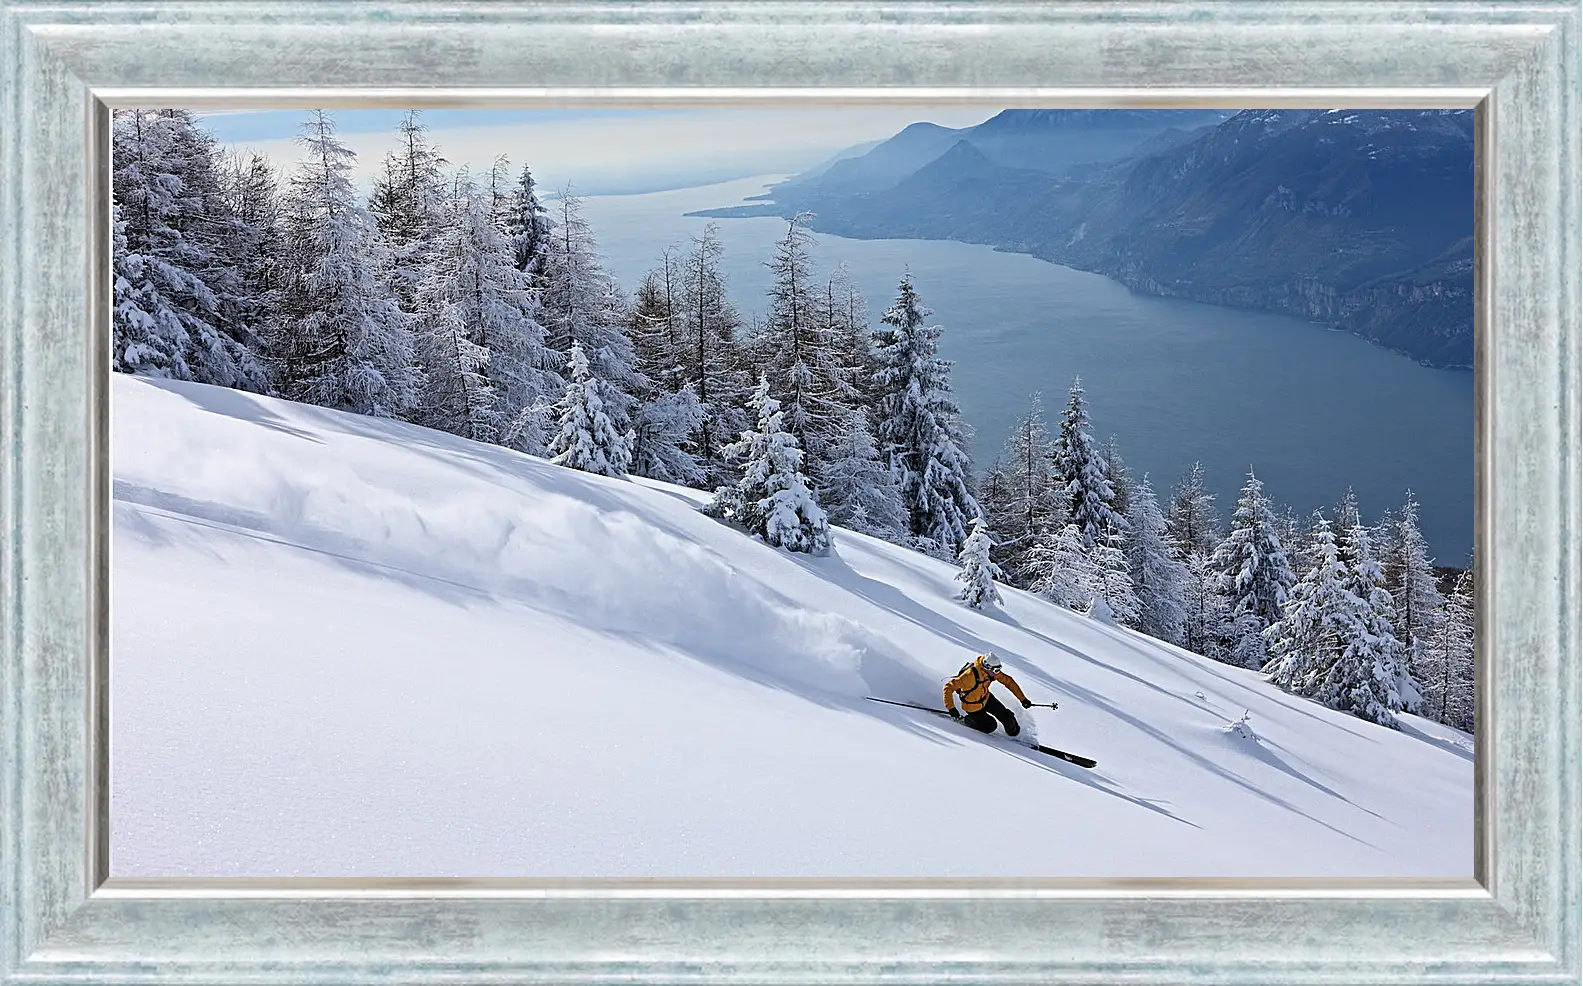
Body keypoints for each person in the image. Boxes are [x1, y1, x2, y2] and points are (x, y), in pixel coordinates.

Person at [942, 652, 1032, 736]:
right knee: (991, 725)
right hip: (972, 706)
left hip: (986, 698)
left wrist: (1023, 699)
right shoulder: (969, 676)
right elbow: (948, 687)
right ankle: (968, 720)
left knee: (1008, 720)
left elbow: (1009, 682)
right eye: (996, 670)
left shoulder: (991, 672)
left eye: (998, 670)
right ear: (987, 667)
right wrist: (951, 709)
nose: (997, 672)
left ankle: (1014, 735)